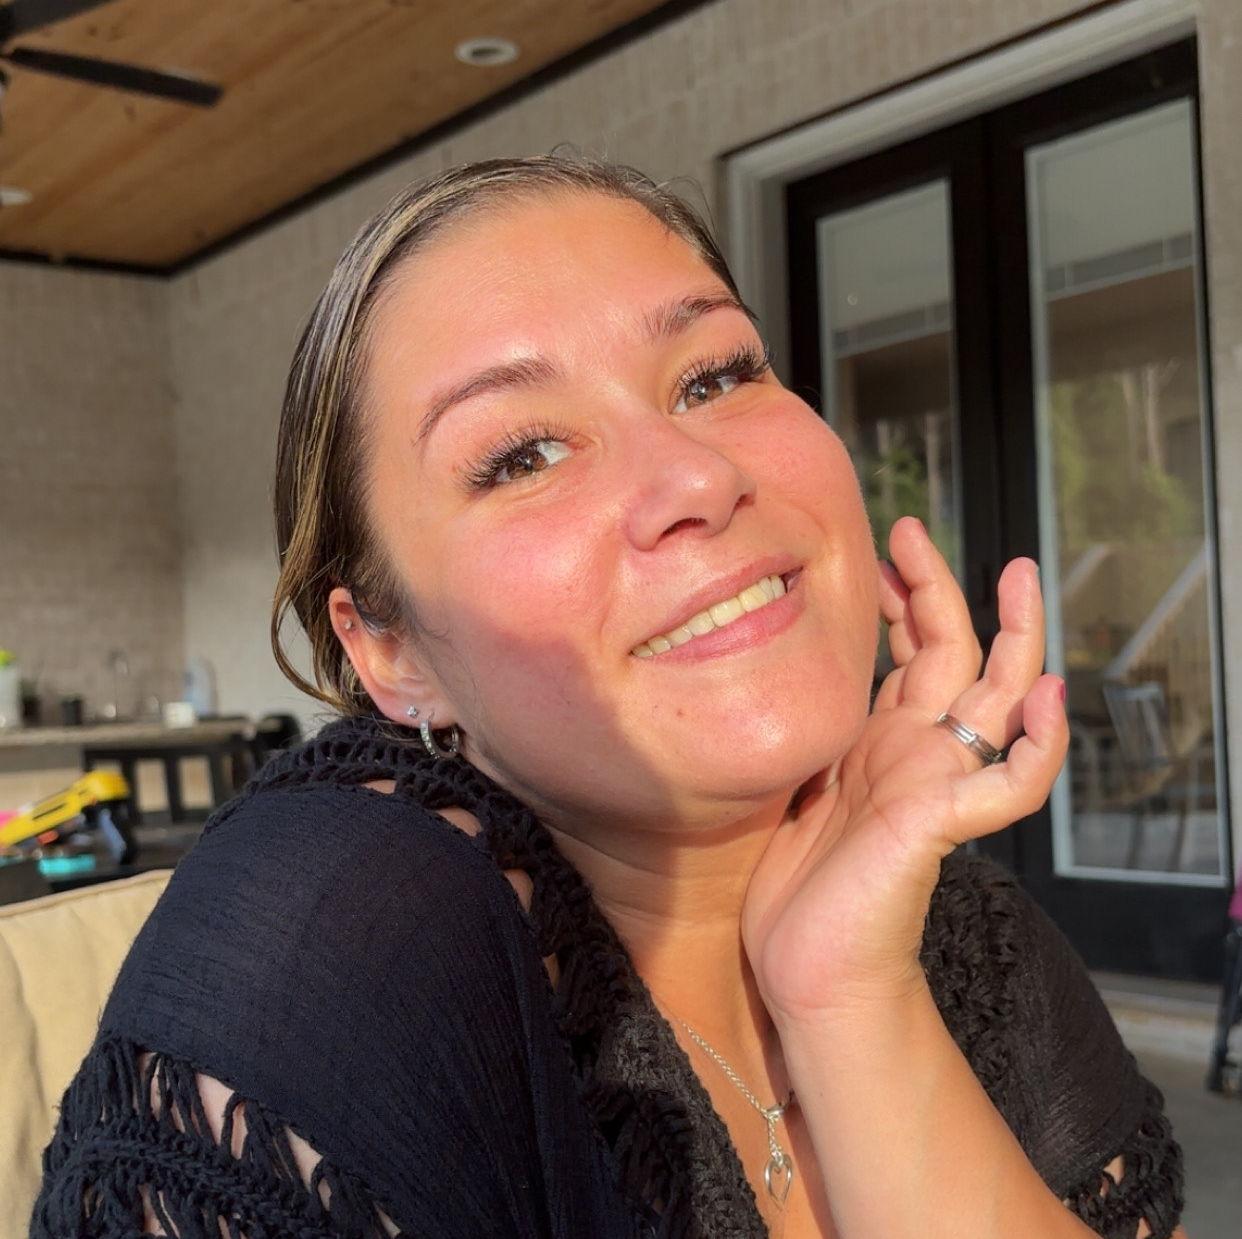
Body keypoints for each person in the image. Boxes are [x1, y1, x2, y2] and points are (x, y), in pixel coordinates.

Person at [32, 154, 1186, 1238]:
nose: (697, 476)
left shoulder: (964, 931)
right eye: (524, 455)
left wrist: (851, 997)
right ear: (390, 650)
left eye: (715, 377)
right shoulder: (340, 948)